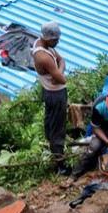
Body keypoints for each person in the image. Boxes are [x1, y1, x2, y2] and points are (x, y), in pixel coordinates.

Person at [32, 21, 69, 174]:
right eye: (55, 40)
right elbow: (63, 79)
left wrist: (59, 71)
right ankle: (60, 165)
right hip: (55, 94)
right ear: (47, 38)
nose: (57, 42)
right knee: (57, 129)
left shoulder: (46, 46)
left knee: (50, 123)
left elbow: (62, 61)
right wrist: (59, 74)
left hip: (52, 92)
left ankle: (53, 151)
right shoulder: (43, 57)